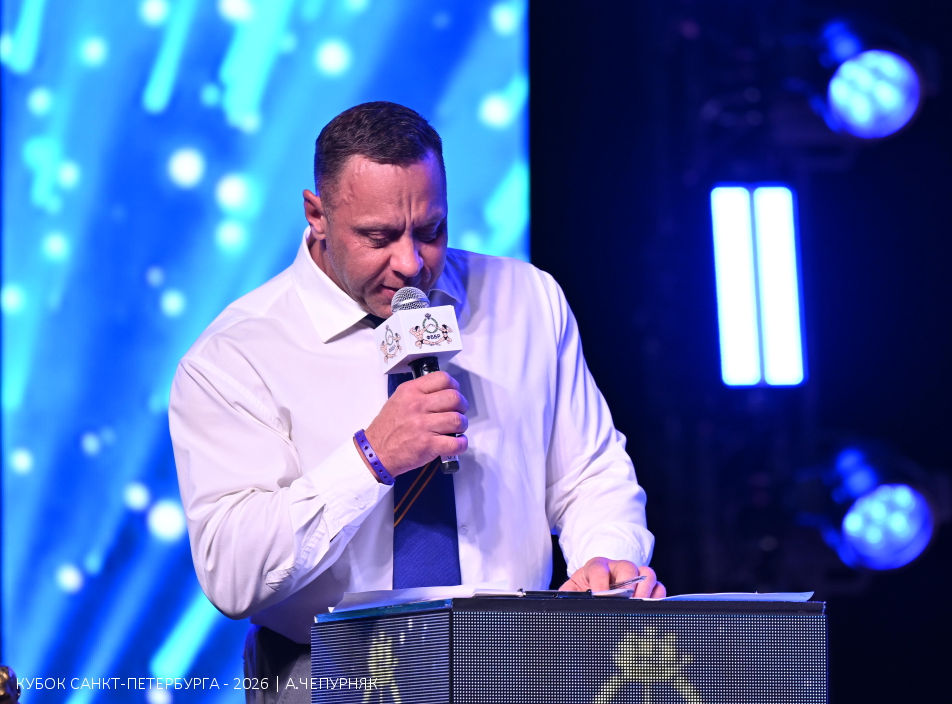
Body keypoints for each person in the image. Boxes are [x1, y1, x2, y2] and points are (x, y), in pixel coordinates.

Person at [168, 102, 663, 702]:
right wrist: (370, 458)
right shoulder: (234, 356)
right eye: (378, 237)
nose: (410, 264)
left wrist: (607, 559)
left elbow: (590, 475)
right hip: (333, 673)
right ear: (317, 215)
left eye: (430, 231)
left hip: (516, 665)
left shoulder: (528, 300)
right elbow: (232, 575)